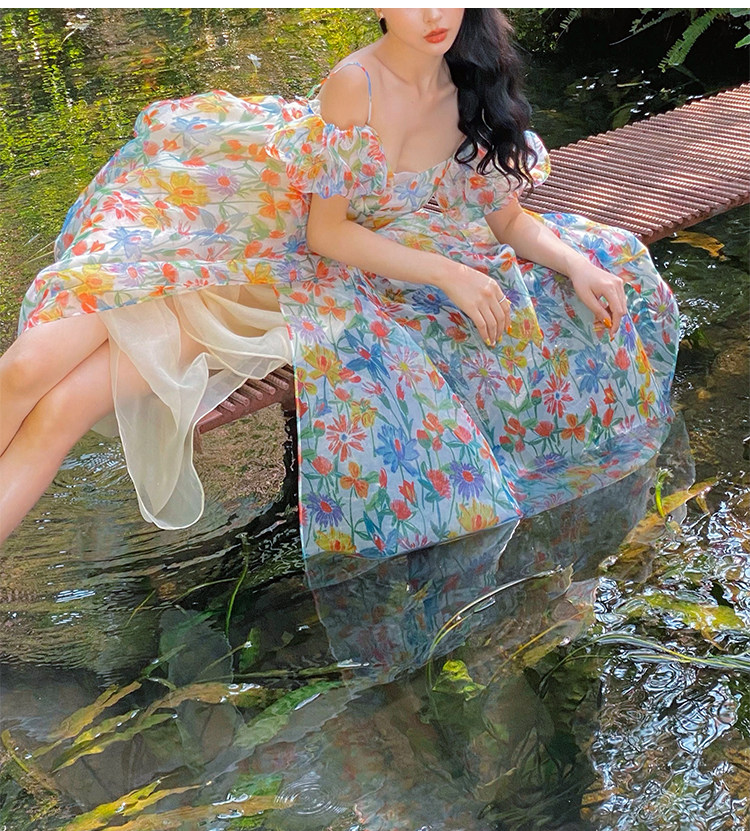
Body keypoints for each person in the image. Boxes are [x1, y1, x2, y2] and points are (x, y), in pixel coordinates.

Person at [0, 8, 679, 562]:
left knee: (64, 409)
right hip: (231, 226)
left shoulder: (476, 78)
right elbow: (325, 231)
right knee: (25, 367)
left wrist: (576, 264)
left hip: (290, 282)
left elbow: (506, 219)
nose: (434, 14)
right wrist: (448, 271)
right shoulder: (357, 83)